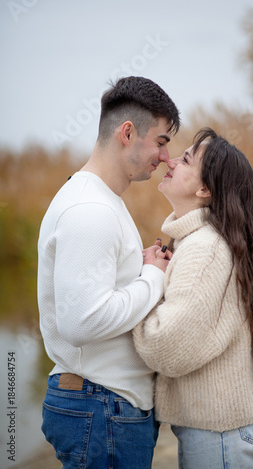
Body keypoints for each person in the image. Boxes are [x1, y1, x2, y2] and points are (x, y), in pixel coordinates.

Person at [37, 76, 180, 469]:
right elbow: (82, 321)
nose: (167, 157)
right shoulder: (91, 210)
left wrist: (143, 267)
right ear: (127, 132)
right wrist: (152, 278)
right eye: (162, 141)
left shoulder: (102, 201)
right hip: (101, 407)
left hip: (105, 405)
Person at [133, 127, 253, 469]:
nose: (170, 159)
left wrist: (148, 282)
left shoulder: (205, 249)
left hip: (221, 436)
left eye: (185, 159)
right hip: (224, 432)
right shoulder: (203, 241)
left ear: (204, 189)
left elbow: (166, 347)